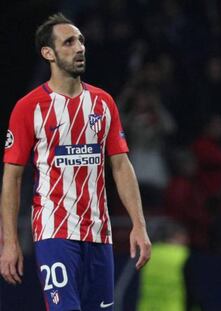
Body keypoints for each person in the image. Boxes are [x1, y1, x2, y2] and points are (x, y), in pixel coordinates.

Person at [0, 13, 151, 310]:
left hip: (99, 230)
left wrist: (139, 225)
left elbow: (121, 165)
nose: (80, 47)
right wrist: (9, 242)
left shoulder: (103, 102)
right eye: (68, 42)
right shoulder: (28, 107)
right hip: (54, 230)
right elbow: (12, 177)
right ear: (48, 53)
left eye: (81, 40)